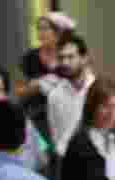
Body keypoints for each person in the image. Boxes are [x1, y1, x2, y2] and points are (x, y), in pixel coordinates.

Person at [20, 11, 76, 141]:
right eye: (38, 29)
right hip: (36, 116)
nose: (40, 33)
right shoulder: (30, 57)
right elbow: (20, 90)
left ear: (59, 32)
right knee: (42, 152)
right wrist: (35, 86)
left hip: (64, 114)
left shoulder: (69, 55)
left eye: (45, 28)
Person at [47, 31, 96, 158]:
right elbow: (56, 137)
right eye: (61, 58)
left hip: (97, 160)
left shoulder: (99, 89)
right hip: (67, 162)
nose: (65, 63)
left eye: (70, 57)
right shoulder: (54, 95)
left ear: (84, 58)